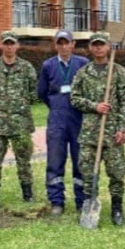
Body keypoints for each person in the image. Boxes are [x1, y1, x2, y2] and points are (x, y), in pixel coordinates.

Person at [68, 32, 125, 225]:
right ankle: (89, 204)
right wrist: (94, 106)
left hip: (112, 131)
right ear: (90, 47)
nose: (98, 48)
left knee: (116, 173)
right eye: (94, 45)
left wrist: (122, 128)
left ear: (107, 47)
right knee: (87, 171)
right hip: (89, 133)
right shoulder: (83, 72)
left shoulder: (118, 71)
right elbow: (74, 98)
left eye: (101, 45)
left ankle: (117, 209)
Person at [0, 31, 38, 212]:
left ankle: (27, 194)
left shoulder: (27, 68)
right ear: (1, 46)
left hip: (20, 123)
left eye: (12, 43)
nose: (9, 46)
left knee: (24, 160)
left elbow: (33, 94)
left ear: (17, 45)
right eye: (6, 43)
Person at [37, 30, 89, 216]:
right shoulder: (48, 65)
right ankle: (57, 202)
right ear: (55, 45)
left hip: (78, 120)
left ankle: (82, 201)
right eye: (60, 43)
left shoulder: (83, 64)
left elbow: (89, 90)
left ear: (73, 44)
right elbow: (42, 92)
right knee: (55, 162)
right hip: (57, 120)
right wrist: (56, 105)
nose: (64, 46)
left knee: (81, 161)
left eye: (67, 42)